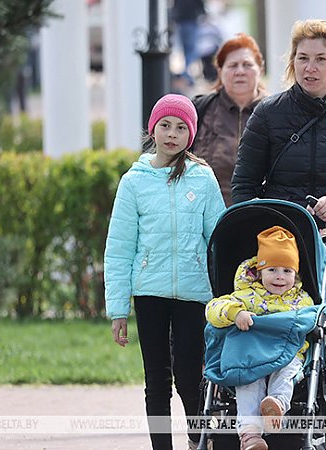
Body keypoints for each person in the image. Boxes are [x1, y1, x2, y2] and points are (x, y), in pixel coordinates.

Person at [231, 19, 326, 449]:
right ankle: (271, 422)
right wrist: (273, 225)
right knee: (278, 332)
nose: (311, 68)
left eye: (321, 59)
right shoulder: (268, 114)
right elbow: (243, 186)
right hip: (279, 246)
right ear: (292, 64)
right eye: (303, 59)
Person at [104, 94, 226, 450]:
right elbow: (119, 247)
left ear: (191, 134)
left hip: (194, 293)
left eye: (181, 127)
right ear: (152, 129)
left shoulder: (202, 179)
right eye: (165, 125)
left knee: (190, 377)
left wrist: (225, 294)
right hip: (149, 293)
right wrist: (117, 309)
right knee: (157, 379)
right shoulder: (134, 182)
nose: (172, 134)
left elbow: (216, 239)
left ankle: (198, 440)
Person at [206, 226, 326, 450]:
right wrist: (236, 313)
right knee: (247, 382)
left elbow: (313, 318)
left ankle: (276, 406)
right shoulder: (246, 295)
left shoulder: (301, 301)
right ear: (259, 272)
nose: (280, 276)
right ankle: (250, 435)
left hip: (287, 354)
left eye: (287, 270)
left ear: (296, 274)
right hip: (251, 357)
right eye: (272, 269)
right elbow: (213, 309)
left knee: (286, 373)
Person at [191, 33, 268, 206]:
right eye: (232, 65)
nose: (240, 71)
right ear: (220, 71)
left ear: (260, 70)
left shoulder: (278, 112)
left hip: (264, 220)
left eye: (247, 65)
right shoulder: (199, 110)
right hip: (207, 219)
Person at [170, 0, 206, 86]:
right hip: (191, 22)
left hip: (181, 23)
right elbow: (201, 6)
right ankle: (186, 74)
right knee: (191, 50)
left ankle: (186, 74)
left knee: (186, 50)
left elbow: (175, 7)